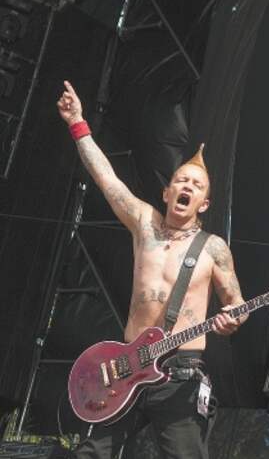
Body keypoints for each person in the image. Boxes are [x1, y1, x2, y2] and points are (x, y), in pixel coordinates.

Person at [57, 80, 247, 459]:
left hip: (180, 375)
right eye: (181, 180)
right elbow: (107, 179)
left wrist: (233, 320)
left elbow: (236, 304)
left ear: (204, 203)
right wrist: (78, 123)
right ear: (167, 192)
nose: (187, 186)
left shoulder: (213, 248)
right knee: (90, 453)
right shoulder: (145, 223)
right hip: (126, 369)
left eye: (196, 185)